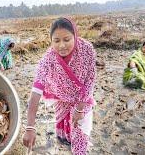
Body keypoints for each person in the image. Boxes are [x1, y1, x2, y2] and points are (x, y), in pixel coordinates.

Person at [23, 17, 96, 154]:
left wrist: (80, 109)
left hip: (82, 98)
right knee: (63, 127)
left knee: (80, 133)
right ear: (51, 41)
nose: (61, 45)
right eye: (56, 41)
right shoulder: (48, 58)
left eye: (66, 39)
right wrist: (30, 127)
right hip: (61, 97)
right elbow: (36, 90)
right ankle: (66, 139)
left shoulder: (87, 49)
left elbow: (90, 80)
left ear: (75, 35)